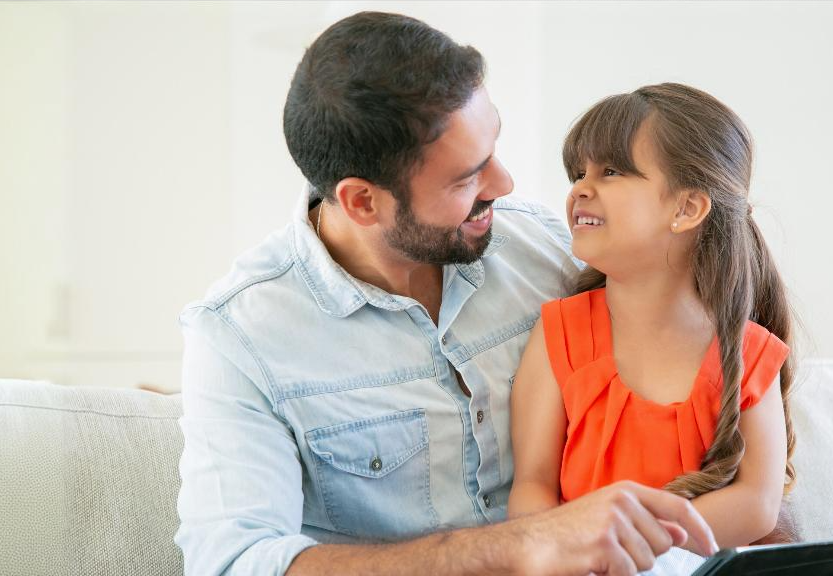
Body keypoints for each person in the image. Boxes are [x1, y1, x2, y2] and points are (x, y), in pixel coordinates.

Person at [174, 12, 750, 576]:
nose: (505, 184)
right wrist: (520, 545)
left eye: (493, 147)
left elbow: (708, 390)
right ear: (363, 202)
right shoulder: (241, 337)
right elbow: (233, 562)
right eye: (466, 178)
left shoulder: (544, 249)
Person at [508, 84, 799, 564]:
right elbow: (531, 487)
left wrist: (637, 547)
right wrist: (572, 553)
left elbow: (757, 504)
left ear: (686, 209)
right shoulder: (561, 333)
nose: (580, 188)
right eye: (579, 173)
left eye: (611, 171)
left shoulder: (750, 354)